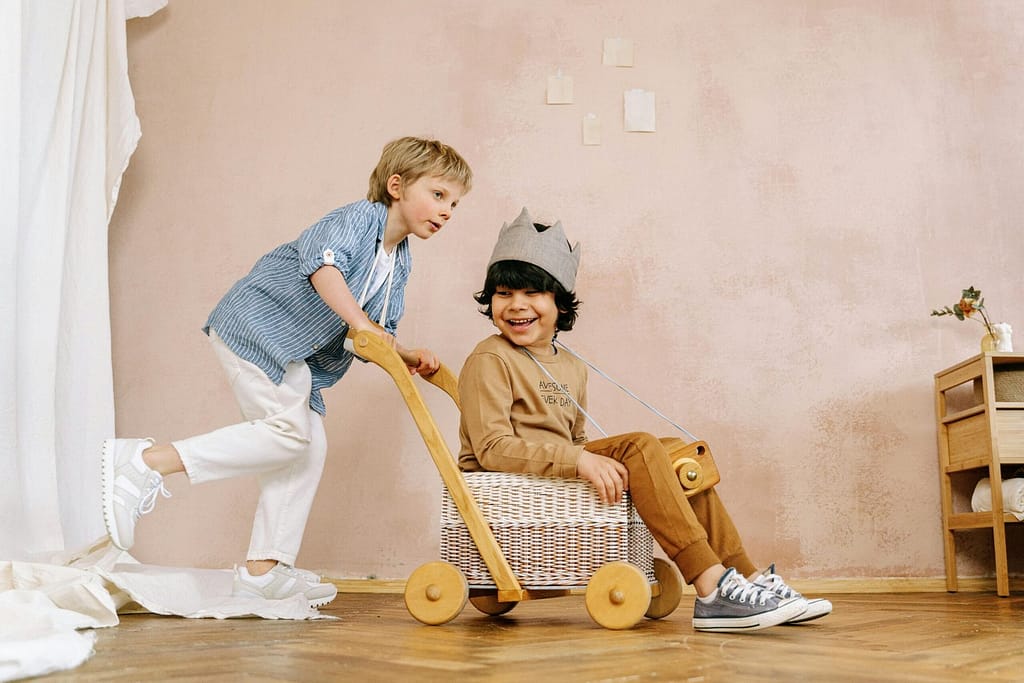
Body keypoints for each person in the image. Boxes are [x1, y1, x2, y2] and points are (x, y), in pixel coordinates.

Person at [102, 136, 472, 609]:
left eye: (455, 204)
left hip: (291, 355)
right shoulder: (359, 220)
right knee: (290, 434)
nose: (446, 211)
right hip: (256, 328)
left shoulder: (399, 261)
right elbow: (322, 266)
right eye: (438, 195)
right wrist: (360, 323)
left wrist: (404, 352)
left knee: (308, 446)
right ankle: (144, 463)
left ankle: (264, 570)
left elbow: (375, 331)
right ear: (397, 185)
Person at [457, 207, 832, 632]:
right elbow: (490, 449)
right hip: (513, 481)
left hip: (554, 474)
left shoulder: (571, 366)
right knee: (638, 445)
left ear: (560, 303)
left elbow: (575, 436)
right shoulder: (490, 358)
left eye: (532, 293)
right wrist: (579, 461)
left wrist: (580, 455)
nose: (516, 305)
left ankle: (744, 577)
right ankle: (710, 587)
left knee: (674, 453)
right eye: (504, 293)